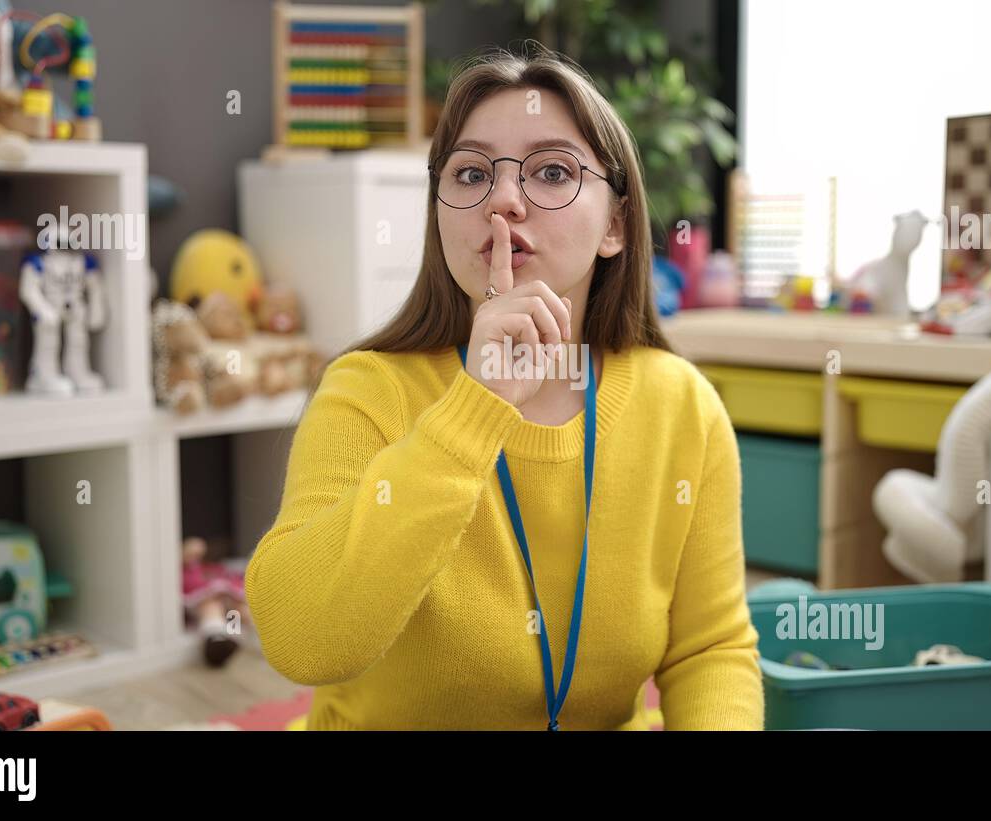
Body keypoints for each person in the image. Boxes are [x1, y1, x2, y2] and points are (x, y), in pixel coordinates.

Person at [245, 44, 763, 730]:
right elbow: (299, 637)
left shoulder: (683, 406)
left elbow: (711, 649)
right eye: (471, 174)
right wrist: (472, 411)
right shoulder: (365, 390)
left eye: (552, 171)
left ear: (615, 224)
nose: (505, 201)